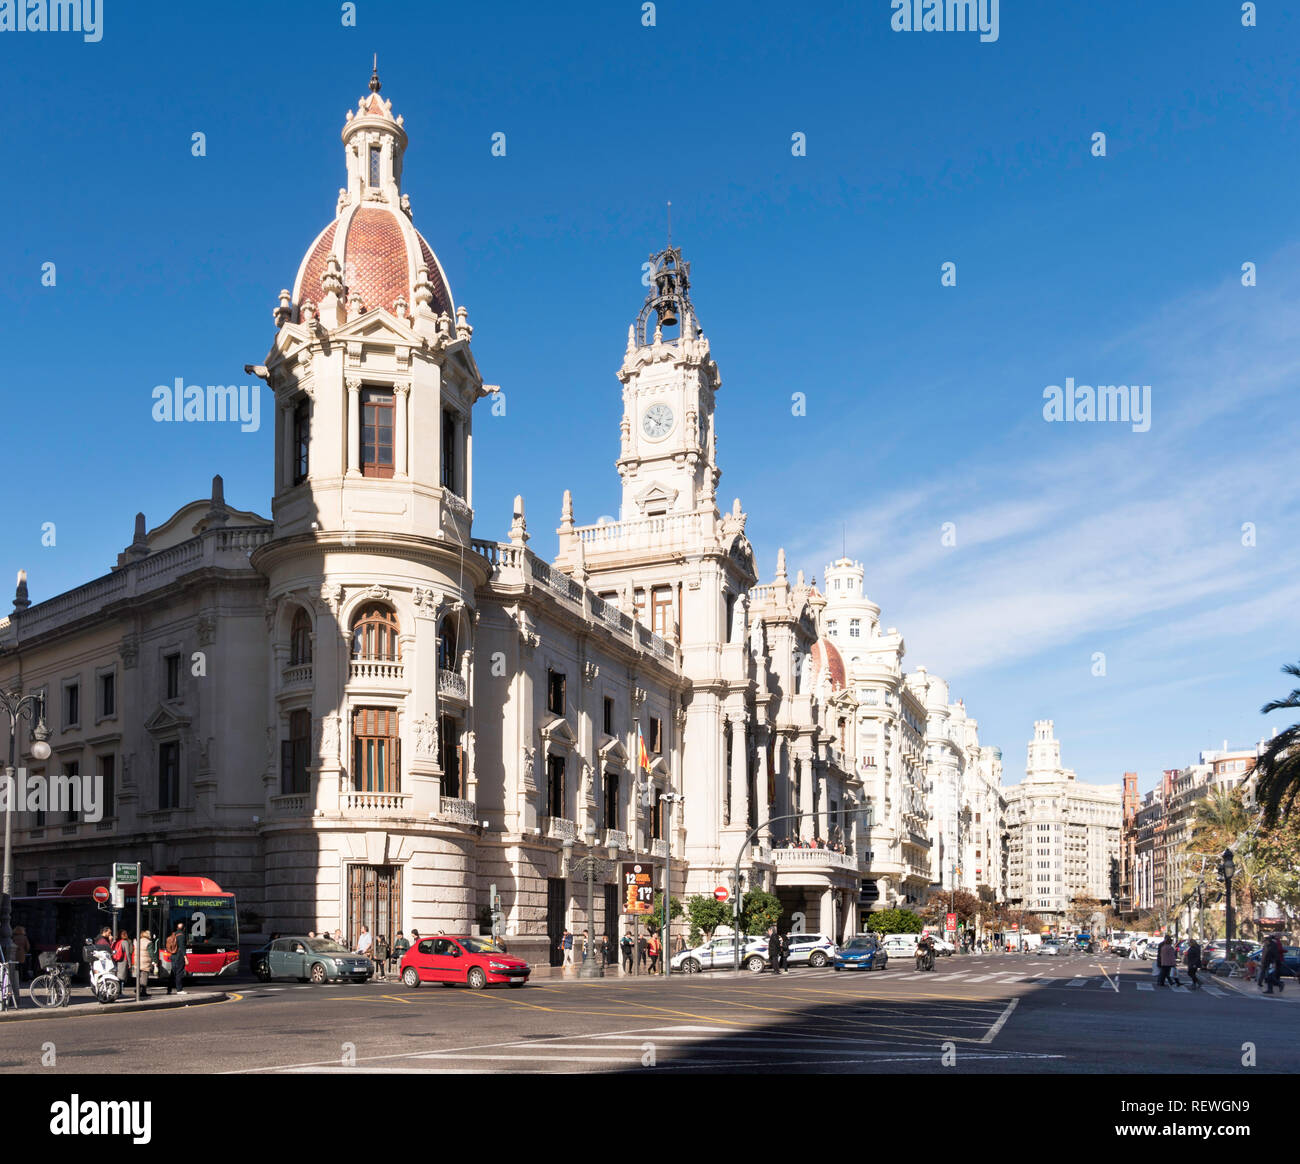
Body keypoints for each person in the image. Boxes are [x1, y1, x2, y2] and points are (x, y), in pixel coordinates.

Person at [165, 922, 187, 995]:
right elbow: (182, 947)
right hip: (179, 956)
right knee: (179, 973)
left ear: (177, 928)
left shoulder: (173, 934)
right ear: (184, 928)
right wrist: (185, 958)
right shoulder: (181, 935)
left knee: (173, 973)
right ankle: (179, 990)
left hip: (173, 955)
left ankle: (169, 989)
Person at [135, 930, 155, 998]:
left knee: (139, 976)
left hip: (137, 960)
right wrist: (154, 961)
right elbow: (151, 953)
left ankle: (138, 989)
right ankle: (143, 991)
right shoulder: (149, 942)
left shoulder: (138, 941)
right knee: (144, 976)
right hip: (145, 961)